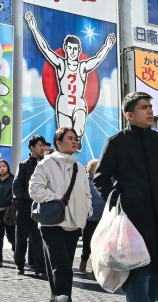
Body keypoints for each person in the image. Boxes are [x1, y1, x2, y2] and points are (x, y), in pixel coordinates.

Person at [93, 92, 158, 302]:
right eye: (143, 107)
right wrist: (119, 202)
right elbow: (100, 178)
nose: (150, 111)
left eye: (150, 106)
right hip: (134, 222)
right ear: (129, 115)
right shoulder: (116, 142)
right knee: (138, 273)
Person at [25, 11, 117, 151]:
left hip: (79, 102)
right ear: (65, 49)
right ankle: (64, 150)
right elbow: (45, 49)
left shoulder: (83, 66)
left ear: (79, 50)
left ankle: (78, 138)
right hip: (63, 103)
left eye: (75, 49)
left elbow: (97, 59)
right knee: (63, 133)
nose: (73, 51)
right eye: (70, 48)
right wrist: (33, 28)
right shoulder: (61, 64)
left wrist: (107, 46)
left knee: (78, 127)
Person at [30, 127, 93, 302]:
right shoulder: (46, 164)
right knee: (62, 266)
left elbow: (87, 194)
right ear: (58, 143)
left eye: (76, 138)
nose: (75, 141)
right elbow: (35, 190)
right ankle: (65, 298)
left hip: (74, 223)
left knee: (57, 267)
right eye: (70, 138)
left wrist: (87, 209)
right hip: (52, 223)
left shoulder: (79, 168)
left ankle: (57, 297)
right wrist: (57, 200)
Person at [13, 134, 48, 277]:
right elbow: (17, 186)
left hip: (41, 206)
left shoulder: (46, 164)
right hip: (25, 206)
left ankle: (40, 268)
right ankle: (20, 264)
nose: (42, 148)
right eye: (39, 145)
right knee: (21, 238)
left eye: (43, 145)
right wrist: (20, 204)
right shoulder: (24, 165)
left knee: (39, 238)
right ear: (32, 147)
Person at [79, 159, 105, 272]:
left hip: (102, 218)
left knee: (100, 243)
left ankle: (97, 266)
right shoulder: (85, 181)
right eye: (95, 167)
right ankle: (84, 259)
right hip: (89, 218)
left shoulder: (104, 181)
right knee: (87, 241)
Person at [0, 159, 15, 268]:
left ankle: (17, 253)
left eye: (4, 166)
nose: (2, 168)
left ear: (8, 167)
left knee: (11, 237)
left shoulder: (13, 180)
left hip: (10, 213)